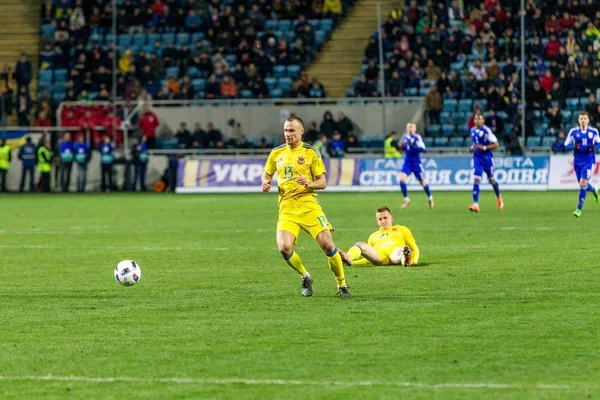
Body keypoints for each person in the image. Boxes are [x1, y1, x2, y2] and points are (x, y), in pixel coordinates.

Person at [261, 116, 351, 298]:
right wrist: (265, 182)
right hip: (287, 208)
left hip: (309, 205)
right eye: (286, 130)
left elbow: (323, 182)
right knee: (284, 247)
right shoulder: (276, 152)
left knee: (327, 244)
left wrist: (309, 183)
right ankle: (305, 276)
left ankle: (342, 285)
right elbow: (267, 173)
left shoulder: (311, 152)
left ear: (301, 131)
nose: (288, 134)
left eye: (292, 131)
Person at [344, 206, 420, 267]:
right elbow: (369, 257)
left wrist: (415, 261)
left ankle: (406, 260)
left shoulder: (402, 229)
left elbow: (414, 249)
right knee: (360, 244)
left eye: (385, 218)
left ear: (391, 218)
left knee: (400, 250)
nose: (383, 221)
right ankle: (346, 258)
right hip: (381, 258)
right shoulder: (373, 236)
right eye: (380, 219)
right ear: (377, 221)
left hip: (396, 253)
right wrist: (353, 263)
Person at [563, 112, 600, 217]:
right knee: (582, 184)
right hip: (577, 161)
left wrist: (593, 148)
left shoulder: (594, 131)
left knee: (583, 183)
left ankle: (578, 209)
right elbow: (565, 146)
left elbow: (598, 143)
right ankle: (594, 190)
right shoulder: (573, 132)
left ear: (588, 120)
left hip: (589, 161)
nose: (583, 120)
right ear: (578, 120)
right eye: (581, 118)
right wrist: (574, 147)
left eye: (585, 118)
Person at [468, 114, 504, 212]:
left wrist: (484, 148)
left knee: (492, 180)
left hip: (487, 158)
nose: (477, 120)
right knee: (476, 179)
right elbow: (475, 143)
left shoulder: (487, 131)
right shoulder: (472, 131)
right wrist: (472, 148)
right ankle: (475, 204)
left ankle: (499, 197)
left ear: (483, 121)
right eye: (476, 119)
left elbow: (496, 144)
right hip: (477, 158)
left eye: (479, 119)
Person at [399, 122, 434, 209]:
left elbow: (423, 149)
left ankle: (430, 198)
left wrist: (413, 146)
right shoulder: (405, 137)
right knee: (401, 179)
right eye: (409, 127)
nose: (410, 129)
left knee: (422, 182)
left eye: (412, 127)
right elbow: (405, 148)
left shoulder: (417, 138)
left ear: (415, 129)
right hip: (407, 162)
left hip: (416, 163)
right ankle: (406, 199)